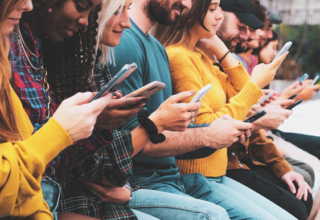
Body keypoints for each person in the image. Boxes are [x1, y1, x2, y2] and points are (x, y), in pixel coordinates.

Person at [101, 0, 297, 219]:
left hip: (178, 177)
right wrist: (207, 135)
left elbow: (187, 127)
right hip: (146, 181)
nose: (187, 3)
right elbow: (131, 142)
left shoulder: (157, 48)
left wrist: (218, 133)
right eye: (212, 8)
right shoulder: (130, 45)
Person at [0, 0, 116, 219]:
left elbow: (54, 159)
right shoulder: (9, 50)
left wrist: (98, 125)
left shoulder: (46, 51)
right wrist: (152, 127)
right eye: (82, 5)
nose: (28, 5)